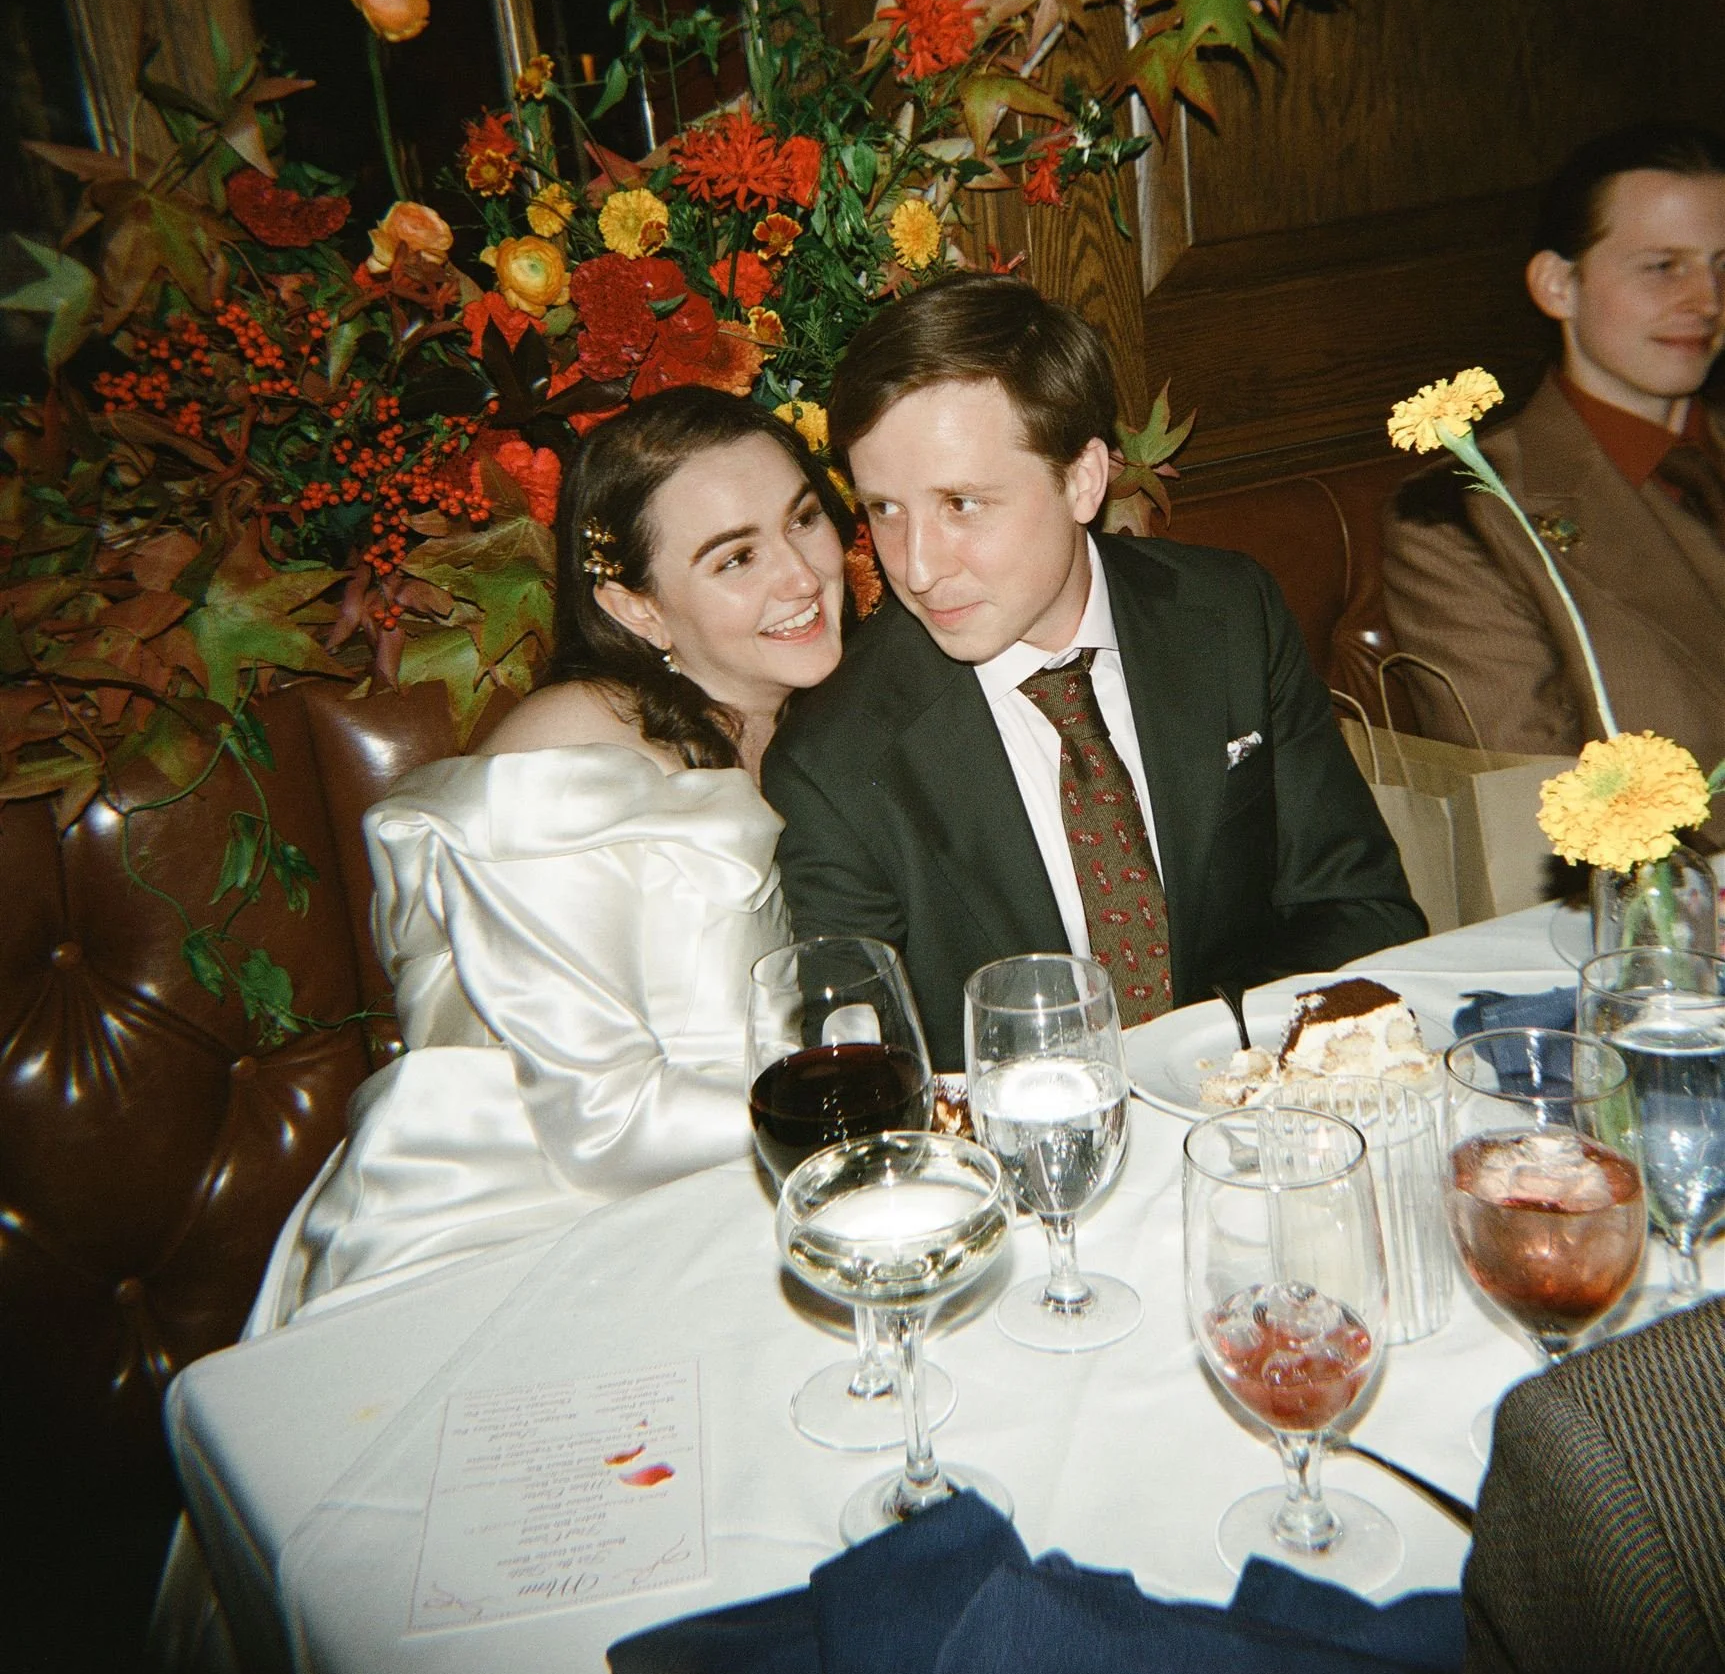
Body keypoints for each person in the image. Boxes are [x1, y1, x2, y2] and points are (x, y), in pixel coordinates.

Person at [248, 387, 851, 1329]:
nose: (801, 576)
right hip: (510, 1244)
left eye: (803, 519)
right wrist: (876, 1099)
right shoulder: (568, 758)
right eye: (736, 556)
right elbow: (602, 1124)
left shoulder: (805, 718)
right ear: (634, 606)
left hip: (744, 1197)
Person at [761, 274, 1423, 1070]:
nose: (918, 566)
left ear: (1083, 478)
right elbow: (865, 1066)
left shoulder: (1227, 614)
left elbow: (1360, 910)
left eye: (961, 504)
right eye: (884, 510)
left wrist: (1203, 1062)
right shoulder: (834, 755)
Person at [1382, 123, 1725, 840]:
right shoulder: (1465, 517)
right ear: (1557, 285)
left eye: (1722, 263)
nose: (1705, 299)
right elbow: (1536, 814)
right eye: (1662, 266)